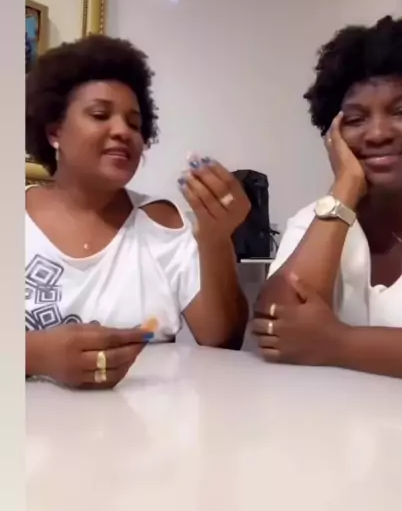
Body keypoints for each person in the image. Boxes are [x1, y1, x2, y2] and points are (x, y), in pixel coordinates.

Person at [25, 34, 250, 390]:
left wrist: (215, 237)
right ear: (55, 132)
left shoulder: (163, 223)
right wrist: (33, 355)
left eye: (134, 123)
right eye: (100, 115)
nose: (123, 132)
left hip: (145, 421)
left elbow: (222, 339)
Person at [253, 16, 402, 386]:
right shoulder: (317, 218)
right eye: (356, 120)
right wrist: (345, 188)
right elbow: (276, 328)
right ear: (334, 137)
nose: (377, 134)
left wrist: (337, 343)